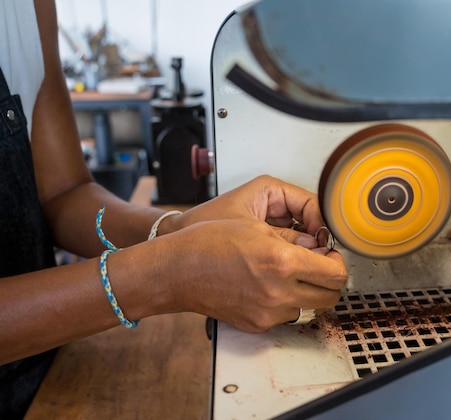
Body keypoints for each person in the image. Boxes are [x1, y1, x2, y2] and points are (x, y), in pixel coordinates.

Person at [0, 0, 348, 417]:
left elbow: (62, 191)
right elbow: (161, 274)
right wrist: (162, 277)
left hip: (48, 366)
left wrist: (176, 228)